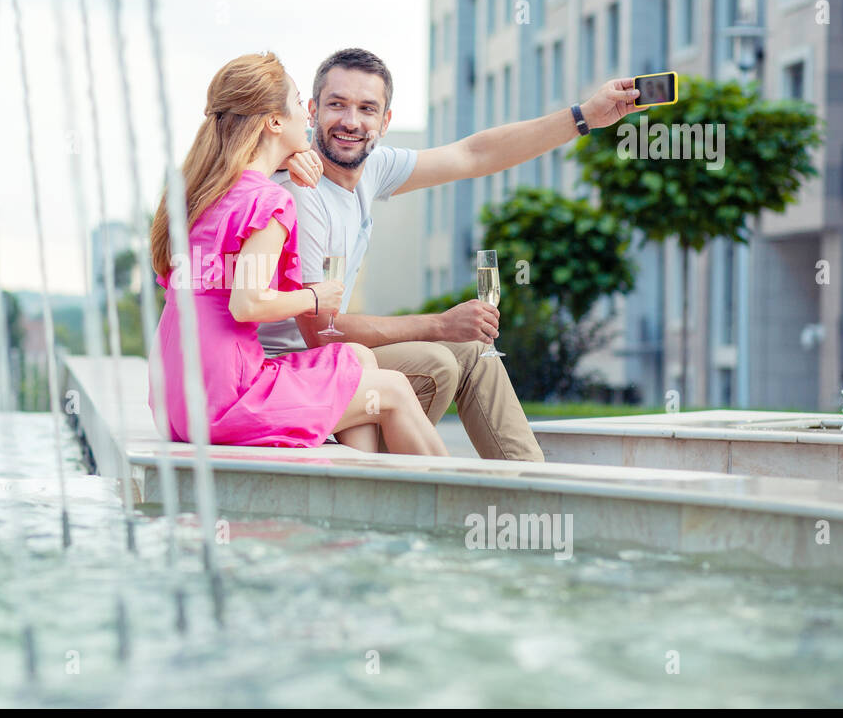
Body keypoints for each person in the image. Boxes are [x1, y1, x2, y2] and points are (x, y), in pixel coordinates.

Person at [259, 47, 645, 459]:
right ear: (314, 110)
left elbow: (474, 154)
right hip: (291, 371)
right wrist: (440, 325)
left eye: (367, 109)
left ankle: (530, 488)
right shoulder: (303, 191)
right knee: (437, 362)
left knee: (475, 352)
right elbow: (321, 332)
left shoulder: (370, 169)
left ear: (385, 121)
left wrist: (584, 116)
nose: (351, 122)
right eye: (337, 105)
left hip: (332, 359)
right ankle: (389, 488)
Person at [148, 52, 447, 456]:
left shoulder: (205, 192)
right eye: (295, 105)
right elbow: (248, 303)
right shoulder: (268, 201)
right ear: (273, 122)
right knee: (392, 388)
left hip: (177, 399)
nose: (306, 118)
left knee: (355, 357)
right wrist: (316, 297)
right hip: (226, 400)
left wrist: (287, 156)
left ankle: (357, 479)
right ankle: (460, 509)